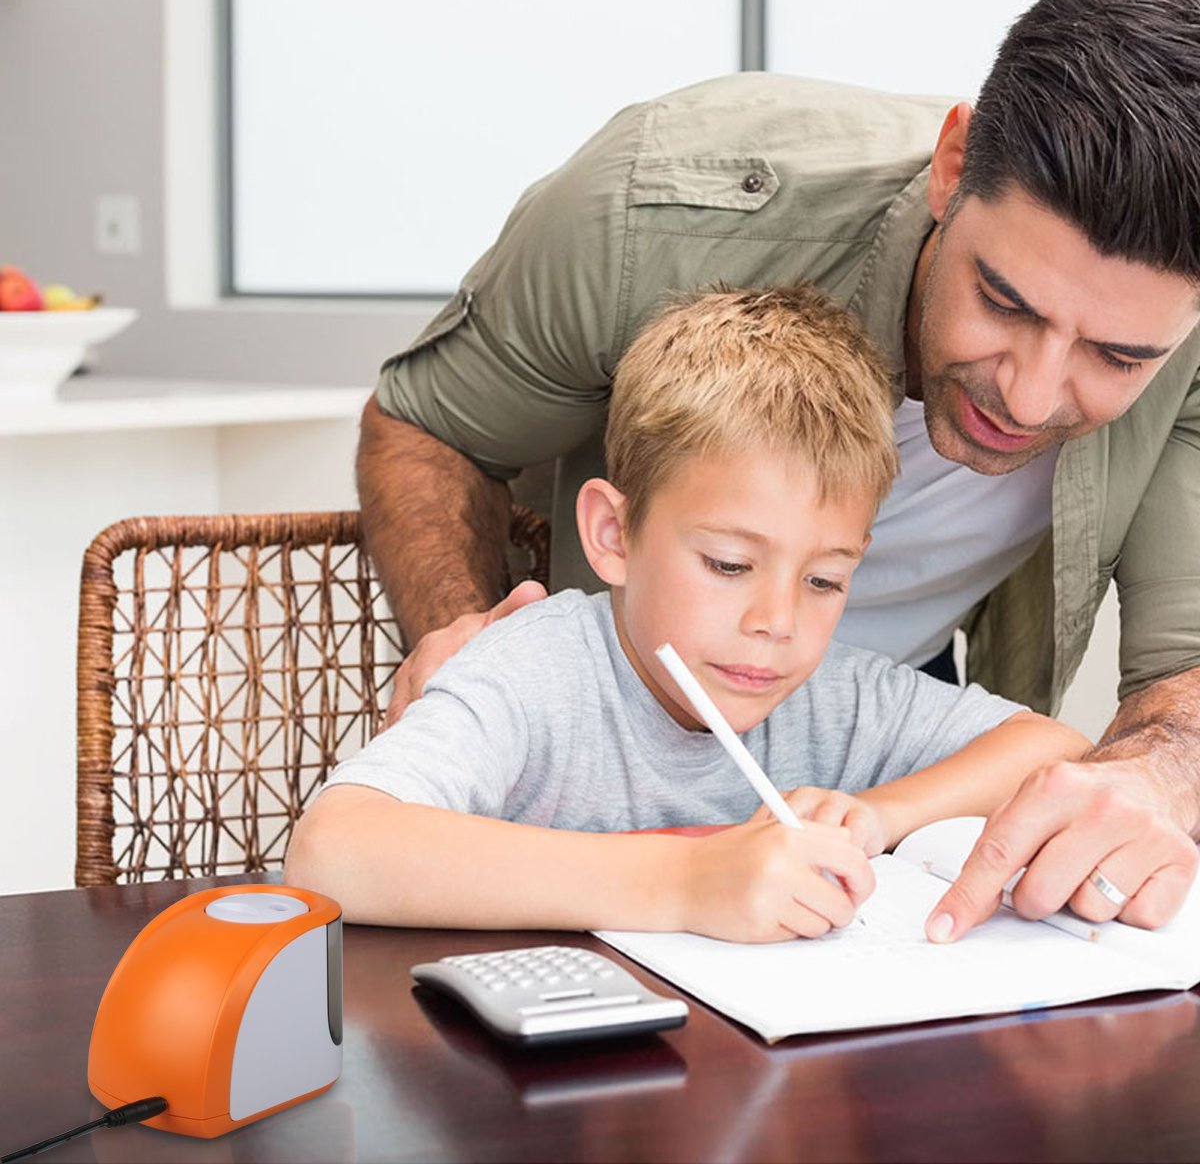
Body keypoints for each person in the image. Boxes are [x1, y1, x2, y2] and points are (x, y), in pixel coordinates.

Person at [355, 0, 1200, 940]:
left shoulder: (857, 705)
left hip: (862, 766)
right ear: (952, 164)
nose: (1033, 395)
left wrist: (1153, 773)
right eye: (1005, 304)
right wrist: (474, 641)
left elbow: (1177, 675)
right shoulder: (647, 211)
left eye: (1119, 356)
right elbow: (430, 424)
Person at [287, 284, 1090, 939]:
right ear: (614, 536)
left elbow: (1051, 749)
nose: (777, 621)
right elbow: (334, 848)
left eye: (824, 581)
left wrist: (877, 817)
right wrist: (687, 883)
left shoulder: (826, 694)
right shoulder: (533, 673)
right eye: (729, 565)